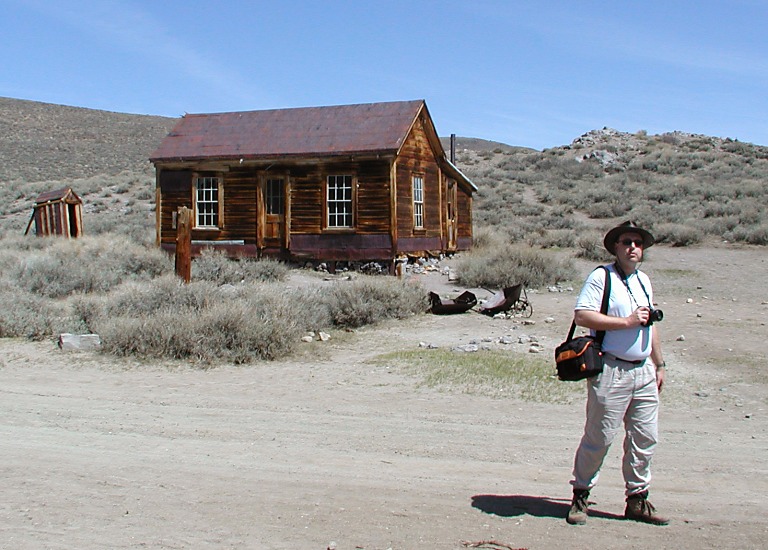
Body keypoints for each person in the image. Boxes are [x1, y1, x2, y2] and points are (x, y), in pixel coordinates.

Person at [566, 221, 668, 526]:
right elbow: (582, 315)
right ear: (615, 247)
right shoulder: (602, 277)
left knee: (645, 438)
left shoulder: (643, 280)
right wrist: (626, 322)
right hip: (612, 369)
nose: (633, 247)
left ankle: (637, 500)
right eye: (627, 242)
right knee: (599, 437)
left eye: (638, 243)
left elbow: (650, 325)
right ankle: (580, 496)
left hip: (643, 371)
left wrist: (659, 364)